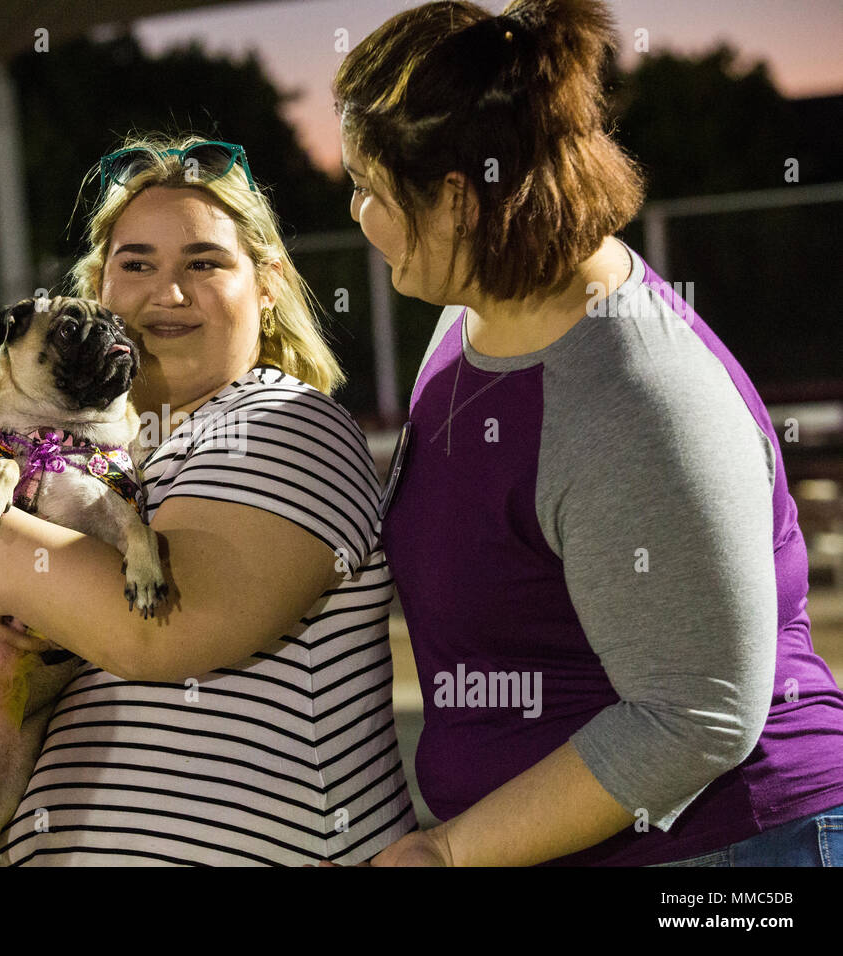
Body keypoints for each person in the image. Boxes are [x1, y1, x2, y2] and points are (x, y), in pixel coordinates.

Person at [331, 0, 843, 866]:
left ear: (457, 202)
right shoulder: (477, 310)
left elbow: (699, 712)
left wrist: (451, 851)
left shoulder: (634, 396)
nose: (355, 214)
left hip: (742, 853)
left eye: (371, 189)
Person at [0, 135, 418, 865]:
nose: (169, 292)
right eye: (137, 265)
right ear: (99, 291)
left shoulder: (286, 427)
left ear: (269, 282)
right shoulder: (110, 456)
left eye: (204, 263)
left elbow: (148, 635)